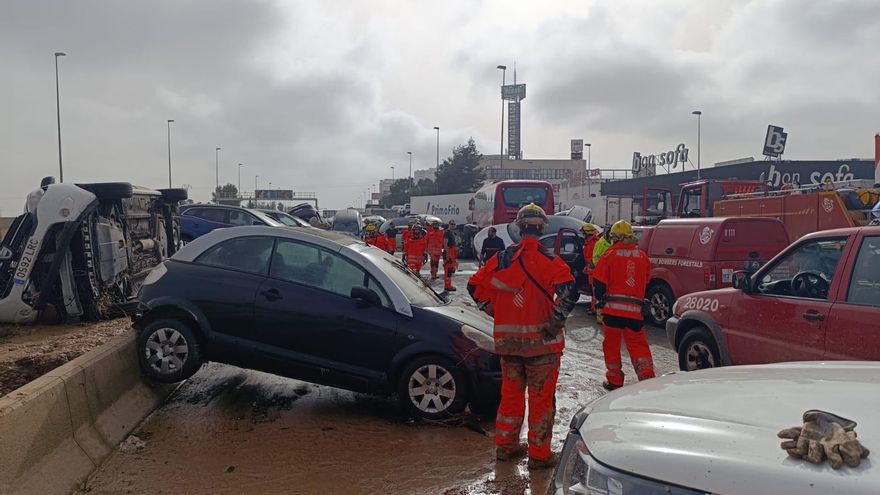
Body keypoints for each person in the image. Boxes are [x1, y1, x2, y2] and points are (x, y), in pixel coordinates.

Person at [467, 203, 577, 470]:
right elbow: (570, 293)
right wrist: (555, 320)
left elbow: (473, 285)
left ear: (518, 228)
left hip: (509, 346)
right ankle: (539, 455)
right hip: (543, 347)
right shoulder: (549, 261)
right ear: (542, 228)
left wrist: (491, 308)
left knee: (511, 396)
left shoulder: (502, 259)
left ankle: (506, 447)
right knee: (541, 399)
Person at [592, 220, 655, 391]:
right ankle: (647, 379)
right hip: (635, 313)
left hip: (612, 312)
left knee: (611, 346)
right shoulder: (643, 257)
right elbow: (646, 284)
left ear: (614, 237)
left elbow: (599, 284)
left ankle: (615, 380)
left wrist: (600, 300)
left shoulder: (609, 256)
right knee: (639, 346)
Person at [581, 223, 601, 315]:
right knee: (593, 292)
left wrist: (588, 267)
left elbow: (591, 259)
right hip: (591, 271)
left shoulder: (592, 243)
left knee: (595, 292)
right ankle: (593, 307)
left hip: (594, 271)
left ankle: (595, 309)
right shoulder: (590, 242)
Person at [443, 220, 459, 291]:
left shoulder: (452, 233)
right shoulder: (447, 232)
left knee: (450, 270)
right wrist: (447, 254)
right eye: (451, 224)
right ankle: (447, 286)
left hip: (452, 253)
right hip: (449, 252)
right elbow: (445, 244)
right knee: (448, 270)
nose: (453, 225)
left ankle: (448, 285)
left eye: (454, 224)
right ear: (449, 225)